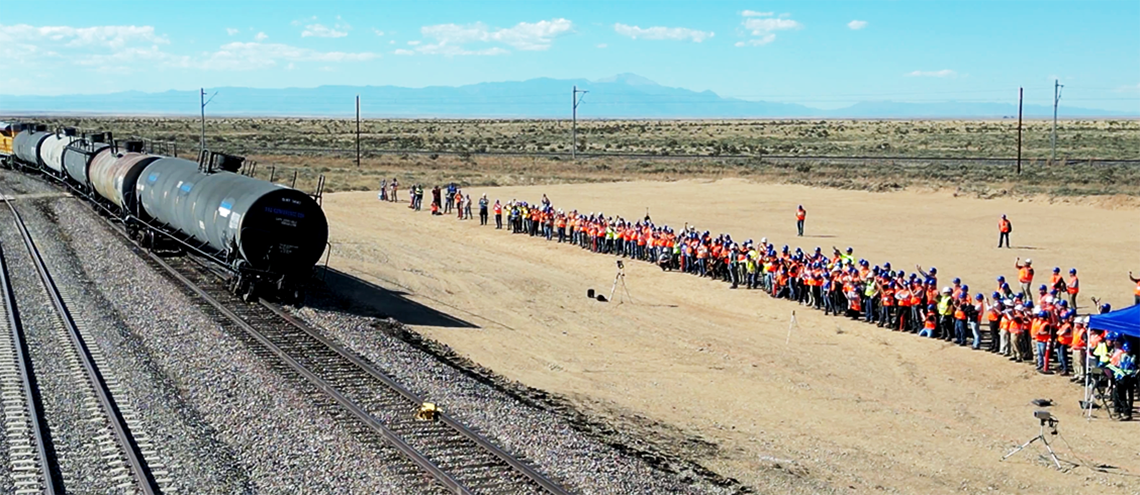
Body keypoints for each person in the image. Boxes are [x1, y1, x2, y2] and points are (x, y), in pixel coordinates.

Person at [1108, 340, 1136, 421]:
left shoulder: (1132, 357)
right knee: (1119, 394)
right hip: (1122, 376)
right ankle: (1119, 410)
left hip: (1128, 377)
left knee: (1125, 395)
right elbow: (1120, 365)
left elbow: (1129, 366)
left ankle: (1127, 412)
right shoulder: (1122, 356)